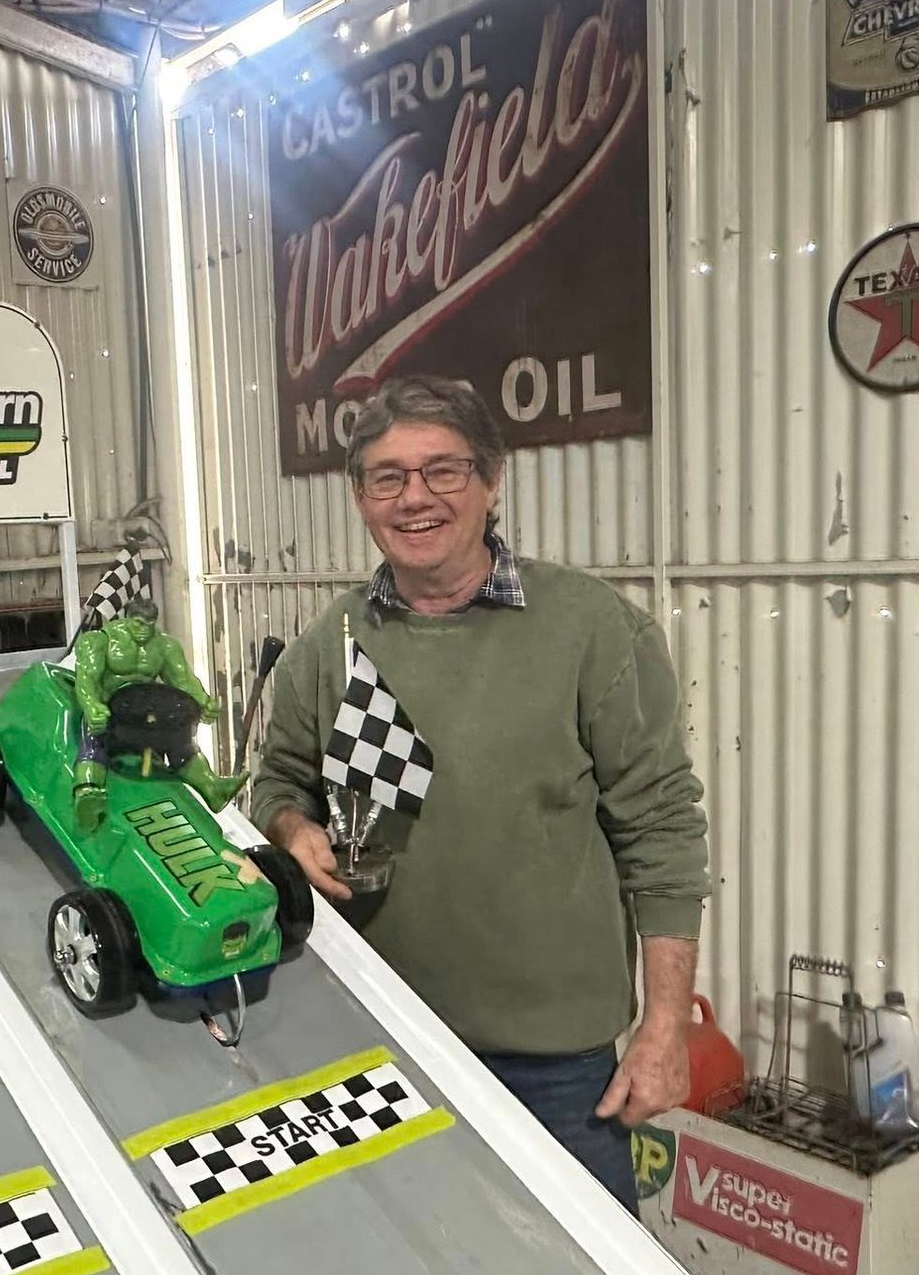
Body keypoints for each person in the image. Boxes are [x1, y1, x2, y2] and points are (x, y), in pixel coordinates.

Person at [249, 375, 710, 1214]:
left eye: (443, 471)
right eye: (387, 477)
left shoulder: (590, 629)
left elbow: (662, 829)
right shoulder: (329, 647)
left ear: (491, 481)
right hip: (374, 1042)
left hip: (556, 1071)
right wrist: (290, 826)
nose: (414, 498)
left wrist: (666, 1024)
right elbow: (278, 781)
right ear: (359, 497)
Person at [72, 596, 247, 829]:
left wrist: (204, 702)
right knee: (95, 734)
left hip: (148, 712)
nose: (144, 630)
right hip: (110, 709)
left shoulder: (165, 646)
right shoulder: (100, 640)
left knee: (181, 738)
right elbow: (86, 680)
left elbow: (184, 681)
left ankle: (212, 787)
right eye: (138, 623)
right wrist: (92, 706)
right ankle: (87, 792)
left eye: (149, 624)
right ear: (126, 619)